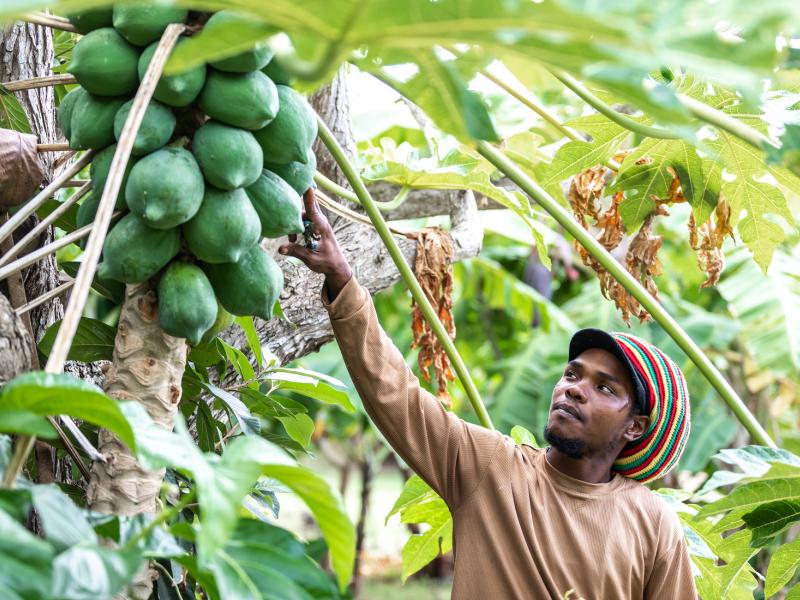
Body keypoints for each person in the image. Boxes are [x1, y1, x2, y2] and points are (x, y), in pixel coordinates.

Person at [279, 189, 698, 600]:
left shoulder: (654, 524)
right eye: (572, 374)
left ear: (635, 426)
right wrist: (341, 278)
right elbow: (395, 394)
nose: (574, 389)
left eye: (604, 387)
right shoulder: (491, 467)